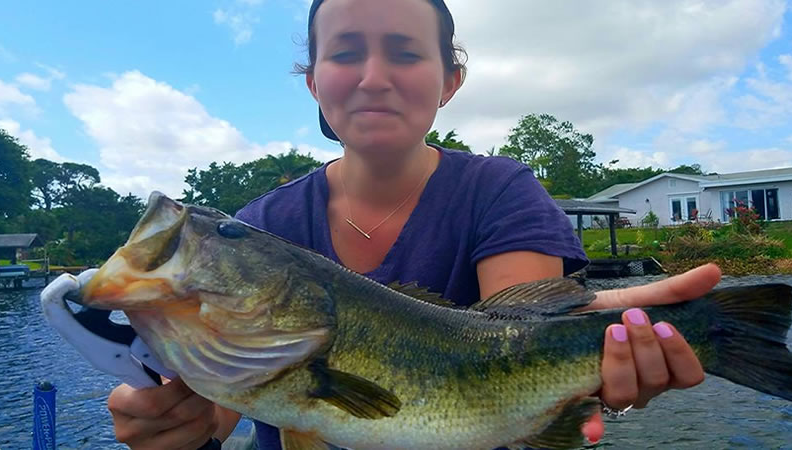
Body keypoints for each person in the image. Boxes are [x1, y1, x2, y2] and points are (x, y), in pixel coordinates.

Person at [105, 0, 716, 448]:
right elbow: (217, 411)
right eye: (346, 53)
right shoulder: (264, 223)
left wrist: (601, 334)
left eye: (404, 52)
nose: (374, 77)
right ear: (314, 82)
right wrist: (171, 425)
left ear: (450, 81)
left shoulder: (500, 191)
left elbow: (514, 340)